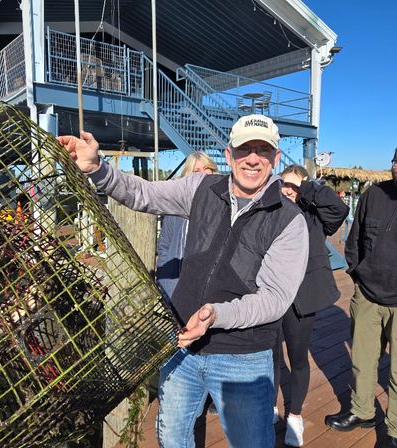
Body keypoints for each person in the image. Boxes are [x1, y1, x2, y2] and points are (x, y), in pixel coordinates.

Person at [57, 114, 309, 448]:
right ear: (229, 153)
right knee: (173, 439)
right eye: (244, 148)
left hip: (243, 359)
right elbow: (142, 193)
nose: (252, 158)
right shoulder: (200, 187)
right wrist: (97, 169)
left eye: (263, 150)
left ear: (275, 158)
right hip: (182, 348)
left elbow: (275, 298)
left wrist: (216, 315)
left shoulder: (290, 221)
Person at [272, 165, 349, 446]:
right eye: (284, 185)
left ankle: (295, 415)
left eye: (294, 186)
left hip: (303, 299)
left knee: (298, 357)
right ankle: (270, 406)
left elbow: (339, 208)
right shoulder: (272, 210)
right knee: (271, 357)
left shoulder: (316, 217)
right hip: (273, 296)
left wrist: (303, 187)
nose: (288, 191)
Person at [325, 149, 397, 446]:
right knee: (362, 360)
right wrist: (356, 270)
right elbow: (354, 236)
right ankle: (362, 411)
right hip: (368, 293)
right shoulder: (372, 194)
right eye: (396, 160)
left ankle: (394, 431)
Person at [156, 151, 218, 303]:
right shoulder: (175, 208)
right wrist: (165, 281)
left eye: (206, 168)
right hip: (176, 287)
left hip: (208, 292)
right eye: (196, 171)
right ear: (188, 176)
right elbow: (164, 246)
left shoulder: (222, 206)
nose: (203, 174)